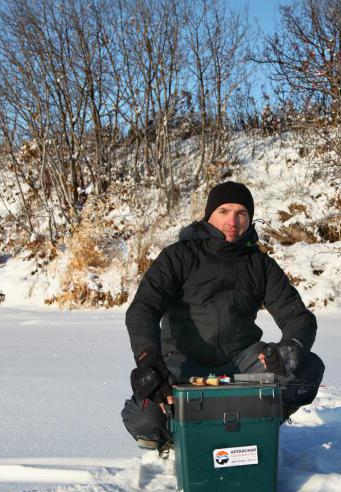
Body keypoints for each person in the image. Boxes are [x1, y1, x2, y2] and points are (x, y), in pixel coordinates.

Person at [121, 181, 325, 450]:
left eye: (241, 212)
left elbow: (298, 316)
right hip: (184, 365)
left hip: (240, 365)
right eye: (224, 211)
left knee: (306, 369)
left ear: (249, 219)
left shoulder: (260, 264)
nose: (233, 220)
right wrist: (148, 359)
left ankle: (256, 425)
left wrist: (291, 347)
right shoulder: (177, 257)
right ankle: (177, 440)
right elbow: (143, 309)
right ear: (209, 216)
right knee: (144, 417)